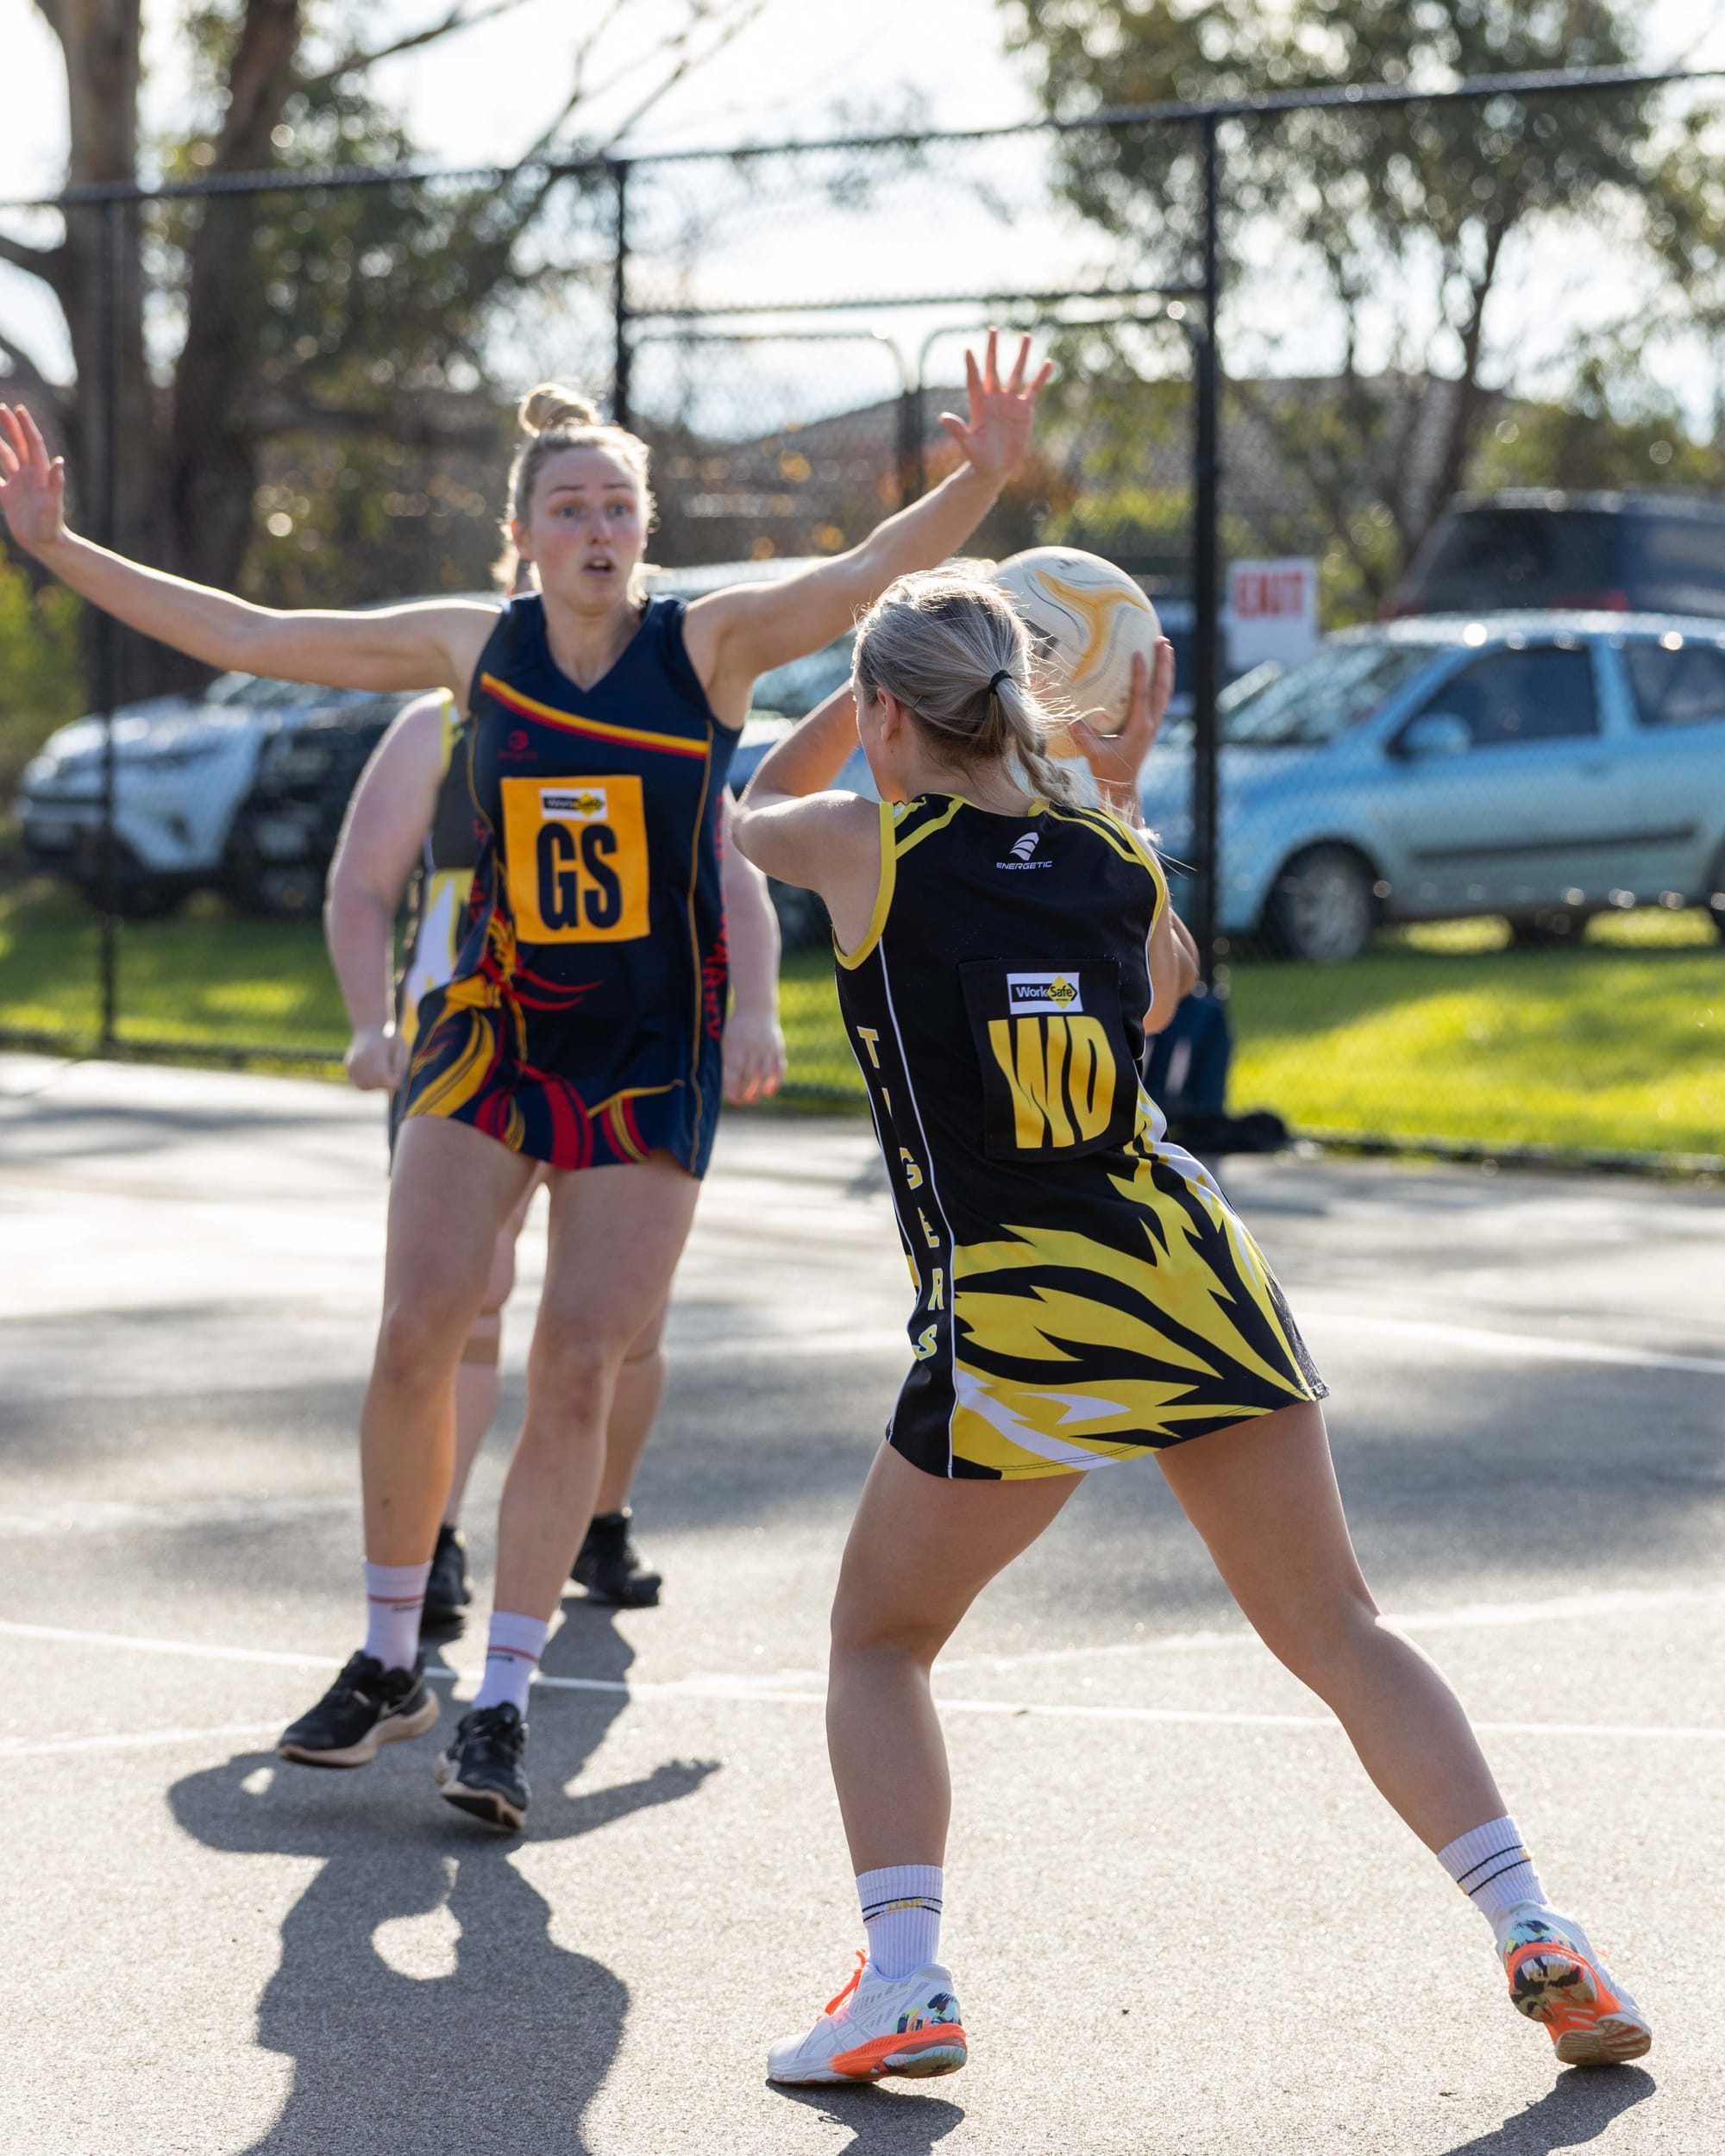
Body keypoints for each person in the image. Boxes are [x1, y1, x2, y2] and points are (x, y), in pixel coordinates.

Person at [0, 332, 1051, 1831]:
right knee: (418, 1325)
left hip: (647, 1047)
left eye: (618, 506)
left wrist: (980, 478)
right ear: (526, 532)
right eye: (569, 506)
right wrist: (57, 547)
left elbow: (865, 571)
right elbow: (251, 629)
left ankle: (501, 1697)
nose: (597, 527)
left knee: (576, 1367)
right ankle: (388, 1658)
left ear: (645, 530)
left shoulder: (707, 648)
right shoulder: (469, 649)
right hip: (494, 1026)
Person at [731, 568, 1651, 2084]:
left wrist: (861, 691)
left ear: (889, 712)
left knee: (879, 1641)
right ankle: (1535, 1923)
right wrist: (1107, 783)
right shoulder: (1108, 849)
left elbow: (749, 806)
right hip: (1190, 1269)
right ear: (1015, 701)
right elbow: (1162, 996)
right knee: (1340, 1627)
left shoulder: (867, 844)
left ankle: (903, 1982)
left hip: (1027, 1310)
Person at [324, 683, 787, 1621]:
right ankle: (434, 1540)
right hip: (473, 1052)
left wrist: (757, 1009)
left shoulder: (656, 702)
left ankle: (597, 1522)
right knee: (462, 1302)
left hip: (629, 1055)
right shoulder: (444, 722)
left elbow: (736, 874)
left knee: (623, 1323)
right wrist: (369, 1021)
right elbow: (360, 884)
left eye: (613, 518)